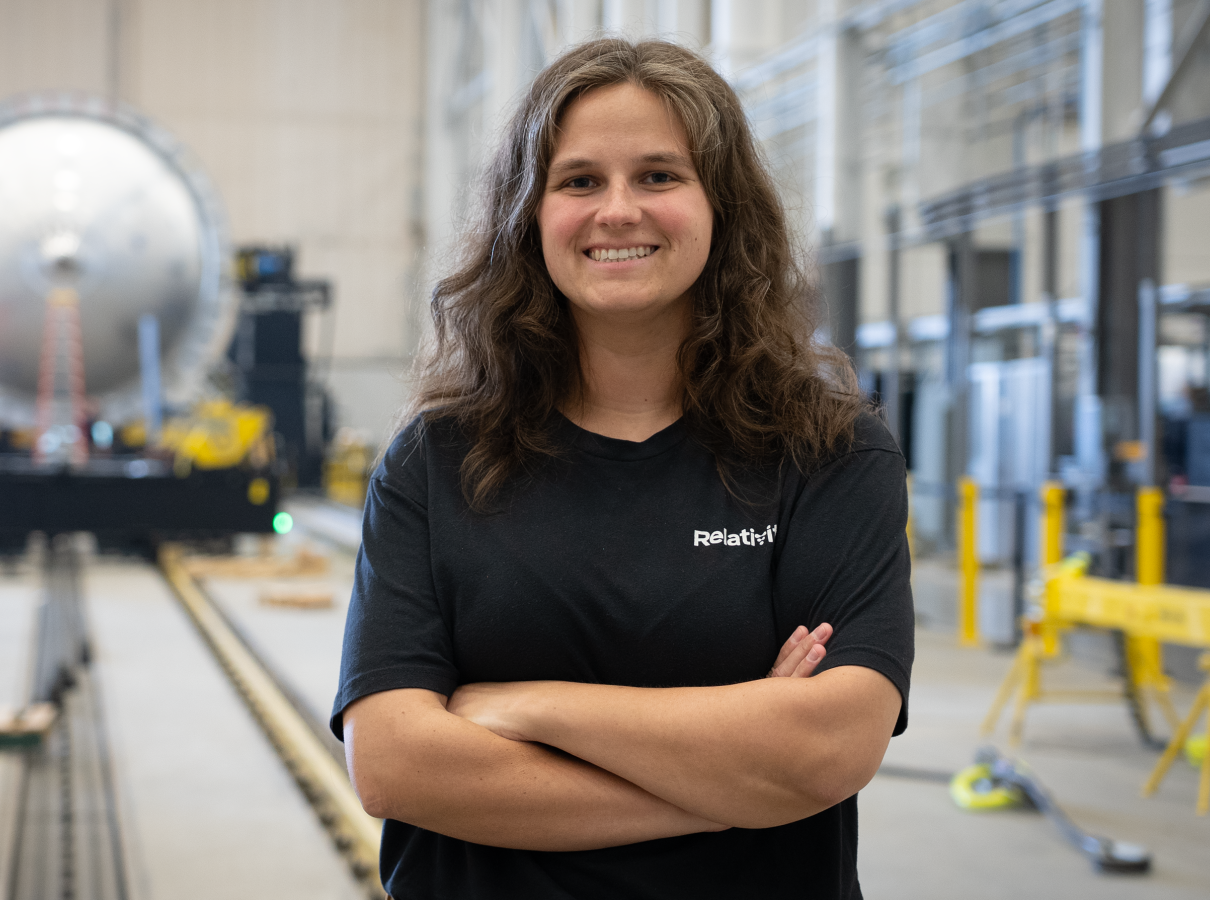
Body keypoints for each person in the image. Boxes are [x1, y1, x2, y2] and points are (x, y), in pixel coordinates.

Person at [332, 38, 913, 900]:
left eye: (658, 176)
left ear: (722, 208)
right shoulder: (438, 461)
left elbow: (828, 749)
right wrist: (740, 781)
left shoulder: (828, 452)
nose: (617, 210)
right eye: (578, 181)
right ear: (530, 215)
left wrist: (530, 707)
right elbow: (393, 766)